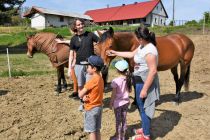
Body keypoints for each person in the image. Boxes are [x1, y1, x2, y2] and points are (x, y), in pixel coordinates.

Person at [107, 26, 160, 140]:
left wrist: (145, 89)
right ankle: (145, 128)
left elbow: (153, 71)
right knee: (141, 106)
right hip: (139, 78)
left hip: (144, 81)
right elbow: (131, 54)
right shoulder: (142, 46)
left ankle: (146, 136)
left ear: (140, 38)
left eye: (137, 37)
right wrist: (115, 52)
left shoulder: (150, 50)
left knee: (143, 107)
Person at [56, 18, 99, 100]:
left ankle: (90, 103)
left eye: (82, 24)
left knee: (90, 85)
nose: (81, 26)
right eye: (78, 25)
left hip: (90, 65)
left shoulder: (90, 35)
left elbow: (100, 43)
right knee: (80, 86)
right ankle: (83, 103)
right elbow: (71, 55)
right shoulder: (73, 39)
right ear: (75, 27)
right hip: (79, 65)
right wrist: (69, 68)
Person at [78, 55, 104, 140]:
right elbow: (94, 92)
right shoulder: (100, 78)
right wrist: (86, 96)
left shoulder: (92, 80)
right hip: (99, 107)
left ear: (94, 69)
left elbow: (80, 94)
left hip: (91, 108)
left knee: (91, 131)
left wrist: (82, 96)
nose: (87, 68)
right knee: (97, 129)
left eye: (88, 66)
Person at [109, 59, 132, 140]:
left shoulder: (116, 81)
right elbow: (130, 90)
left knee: (118, 121)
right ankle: (123, 136)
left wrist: (111, 103)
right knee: (124, 119)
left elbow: (113, 94)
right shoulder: (129, 79)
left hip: (118, 104)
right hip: (126, 103)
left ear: (118, 70)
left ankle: (118, 137)